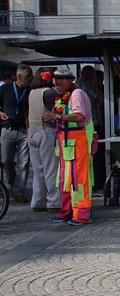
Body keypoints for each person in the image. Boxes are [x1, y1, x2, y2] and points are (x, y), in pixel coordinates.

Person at [44, 69, 94, 226]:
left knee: (79, 179)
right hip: (65, 143)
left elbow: (80, 116)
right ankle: (67, 211)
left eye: (59, 82)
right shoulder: (63, 97)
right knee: (65, 179)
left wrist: (57, 116)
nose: (56, 86)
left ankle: (81, 214)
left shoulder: (77, 94)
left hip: (78, 142)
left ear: (68, 81)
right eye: (55, 83)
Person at [27, 70, 61, 213]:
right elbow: (58, 111)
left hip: (32, 131)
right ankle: (54, 202)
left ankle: (37, 201)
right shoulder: (49, 92)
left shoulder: (32, 92)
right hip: (45, 131)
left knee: (37, 170)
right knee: (51, 168)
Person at [0, 64, 34, 202]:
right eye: (28, 76)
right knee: (7, 161)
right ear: (19, 77)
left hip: (23, 131)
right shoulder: (5, 89)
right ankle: (13, 185)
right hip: (7, 129)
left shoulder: (30, 91)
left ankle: (19, 191)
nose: (30, 79)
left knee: (24, 163)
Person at [79, 65, 106, 191]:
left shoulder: (79, 87)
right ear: (89, 75)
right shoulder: (87, 87)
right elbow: (102, 100)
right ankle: (97, 182)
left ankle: (93, 181)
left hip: (86, 125)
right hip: (93, 124)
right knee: (96, 154)